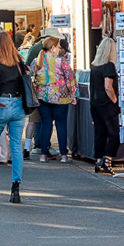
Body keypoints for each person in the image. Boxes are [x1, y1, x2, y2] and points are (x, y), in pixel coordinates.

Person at [0, 30, 28, 204]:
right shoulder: (19, 62)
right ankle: (15, 187)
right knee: (16, 147)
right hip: (18, 104)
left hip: (1, 104)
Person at [33, 28, 75, 162]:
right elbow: (70, 78)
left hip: (43, 97)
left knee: (46, 124)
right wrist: (72, 94)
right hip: (61, 97)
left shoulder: (37, 60)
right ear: (52, 47)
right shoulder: (61, 61)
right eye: (57, 46)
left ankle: (43, 155)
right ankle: (63, 155)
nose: (59, 49)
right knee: (61, 125)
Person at [88, 37, 120, 173]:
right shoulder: (109, 65)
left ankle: (98, 160)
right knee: (114, 134)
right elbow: (108, 86)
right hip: (107, 104)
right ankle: (107, 161)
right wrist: (114, 100)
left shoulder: (95, 66)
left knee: (99, 133)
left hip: (95, 104)